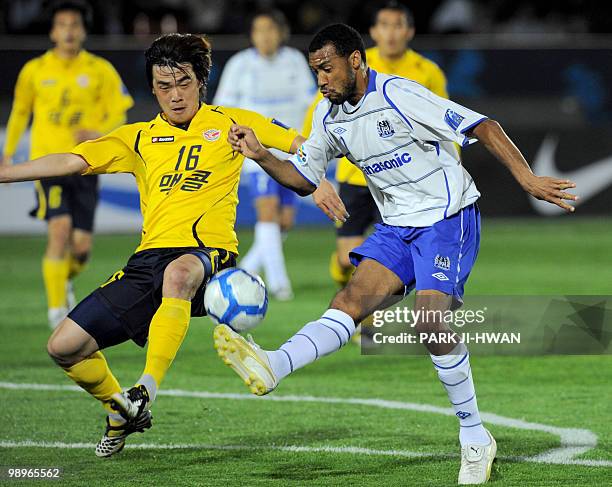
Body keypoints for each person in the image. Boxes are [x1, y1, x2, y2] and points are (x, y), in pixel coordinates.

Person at [213, 24, 578, 484]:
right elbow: (305, 178)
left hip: (448, 218)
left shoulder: (401, 94)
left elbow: (483, 125)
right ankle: (275, 363)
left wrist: (526, 179)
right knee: (349, 303)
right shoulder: (328, 117)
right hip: (396, 226)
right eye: (315, 73)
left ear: (356, 61)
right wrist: (261, 155)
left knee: (430, 322)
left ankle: (474, 436)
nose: (321, 81)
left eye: (327, 69)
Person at [0, 33, 345, 459]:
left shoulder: (231, 120)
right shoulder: (139, 138)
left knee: (179, 273)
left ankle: (145, 388)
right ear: (154, 88)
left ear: (201, 81)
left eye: (183, 83)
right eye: (164, 86)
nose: (174, 95)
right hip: (148, 261)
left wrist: (320, 178)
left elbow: (299, 143)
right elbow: (72, 160)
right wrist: (7, 172)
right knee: (64, 347)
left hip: (209, 254)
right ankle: (120, 409)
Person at [1, 0, 133, 328]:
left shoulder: (100, 69)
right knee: (59, 231)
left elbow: (120, 111)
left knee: (82, 249)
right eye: (63, 25)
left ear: (84, 31)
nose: (69, 31)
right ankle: (57, 311)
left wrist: (100, 132)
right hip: (48, 164)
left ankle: (65, 279)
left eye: (75, 25)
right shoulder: (34, 70)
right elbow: (20, 113)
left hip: (87, 163)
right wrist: (9, 152)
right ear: (52, 32)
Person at [306, 1, 449, 289]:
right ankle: (345, 281)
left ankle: (368, 318)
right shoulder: (349, 64)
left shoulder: (427, 71)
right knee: (347, 258)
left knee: (392, 258)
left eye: (398, 25)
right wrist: (316, 172)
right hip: (356, 177)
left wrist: (448, 167)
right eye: (385, 25)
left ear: (409, 31)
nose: (391, 33)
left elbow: (444, 126)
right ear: (374, 31)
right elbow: (318, 118)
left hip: (404, 180)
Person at [214, 9, 316, 300]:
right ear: (252, 35)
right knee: (267, 213)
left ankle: (244, 269)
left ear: (281, 33)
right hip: (256, 153)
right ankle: (278, 283)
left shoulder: (294, 62)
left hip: (291, 152)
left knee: (283, 221)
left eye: (270, 29)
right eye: (258, 30)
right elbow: (223, 107)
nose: (265, 36)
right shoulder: (240, 65)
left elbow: (310, 103)